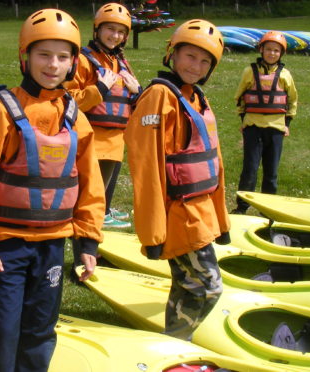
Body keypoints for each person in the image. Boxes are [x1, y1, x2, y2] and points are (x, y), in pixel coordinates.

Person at [0, 8, 105, 372]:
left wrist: (87, 243)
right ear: (25, 56)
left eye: (63, 57)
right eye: (43, 54)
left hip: (52, 245)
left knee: (40, 328)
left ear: (73, 64)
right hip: (5, 246)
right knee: (2, 330)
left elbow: (90, 184)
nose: (53, 65)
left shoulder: (75, 117)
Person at [124, 19, 231, 341]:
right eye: (189, 56)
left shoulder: (194, 96)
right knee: (209, 286)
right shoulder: (159, 96)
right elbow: (146, 167)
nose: (195, 66)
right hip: (179, 214)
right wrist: (153, 231)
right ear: (172, 53)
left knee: (189, 282)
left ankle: (173, 339)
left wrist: (221, 220)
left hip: (201, 211)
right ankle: (178, 340)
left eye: (204, 61)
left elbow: (215, 162)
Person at [65, 2, 140, 230]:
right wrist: (99, 89)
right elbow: (67, 99)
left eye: (120, 32)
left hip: (116, 141)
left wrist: (138, 92)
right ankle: (86, 235)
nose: (115, 36)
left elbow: (132, 103)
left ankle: (103, 212)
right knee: (89, 197)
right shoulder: (84, 61)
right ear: (97, 29)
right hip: (91, 141)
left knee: (104, 190)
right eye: (110, 29)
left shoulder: (120, 62)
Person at [231, 30, 298, 215]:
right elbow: (240, 98)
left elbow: (292, 100)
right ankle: (242, 207)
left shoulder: (285, 75)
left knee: (271, 173)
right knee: (249, 170)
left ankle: (267, 209)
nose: (272, 53)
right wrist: (244, 120)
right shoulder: (249, 72)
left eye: (276, 50)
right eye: (268, 49)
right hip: (253, 128)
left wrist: (287, 124)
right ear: (261, 50)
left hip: (276, 129)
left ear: (281, 53)